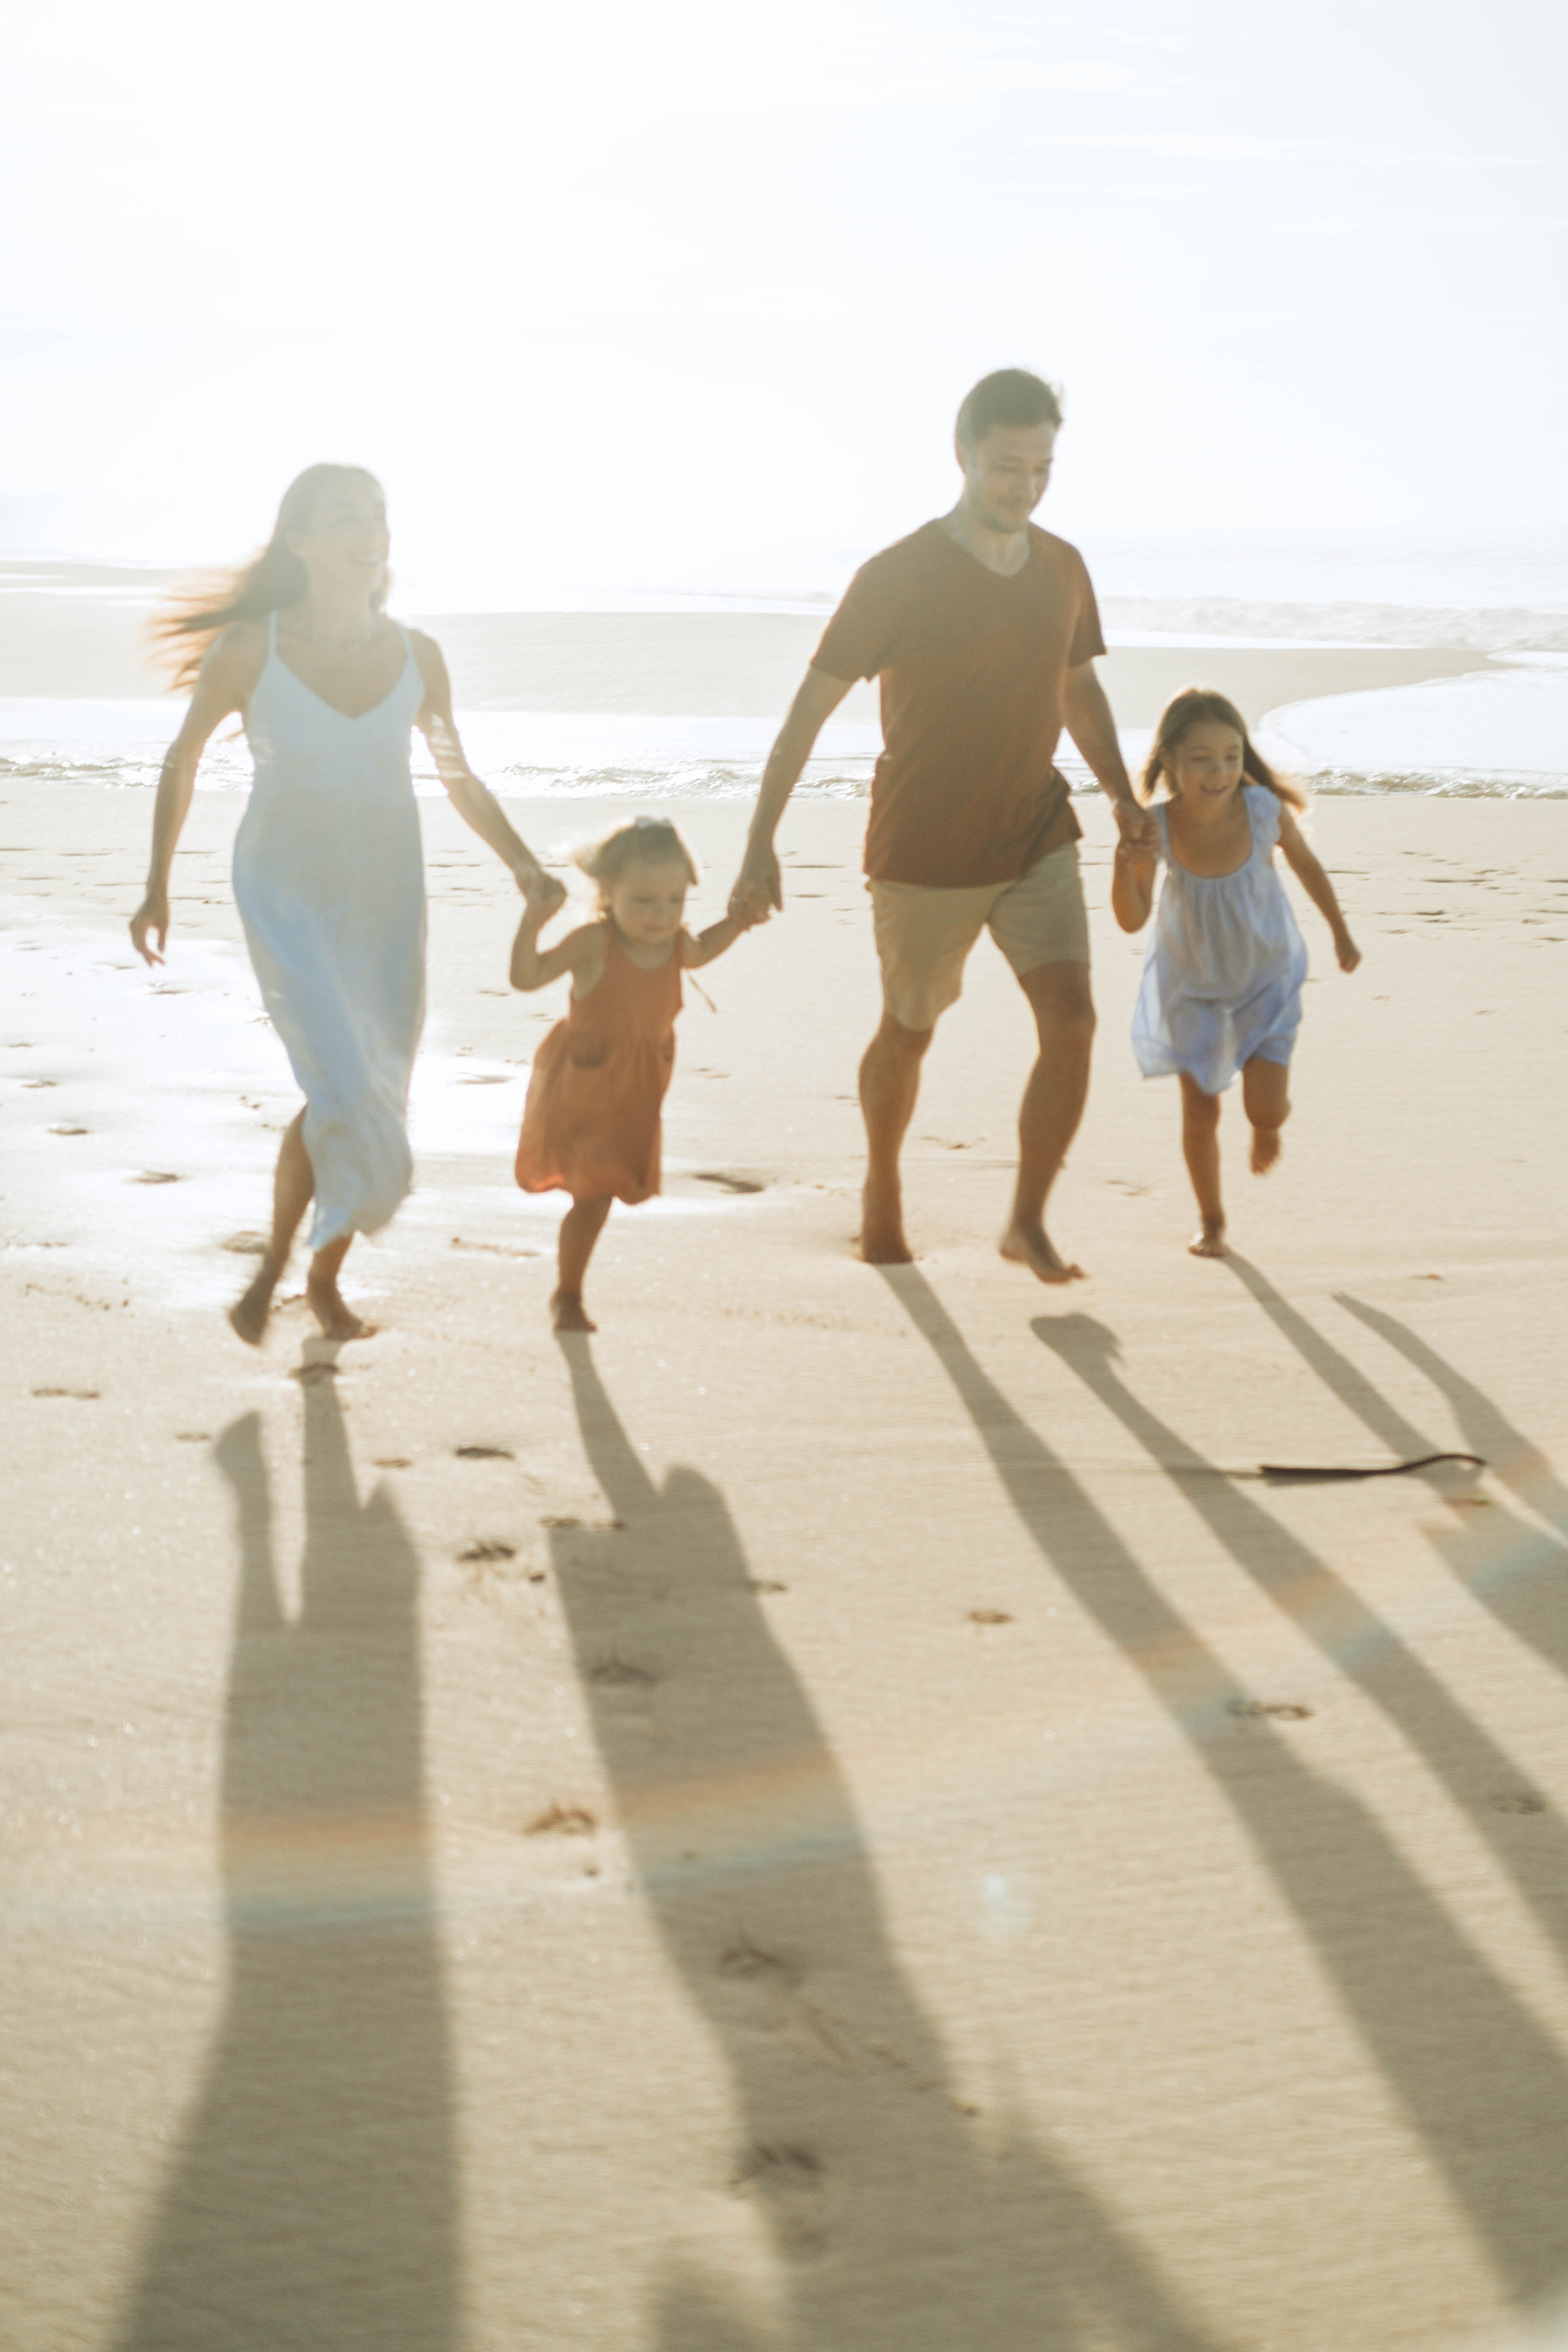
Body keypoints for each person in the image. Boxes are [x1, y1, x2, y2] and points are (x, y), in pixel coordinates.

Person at [729, 367, 1156, 1279]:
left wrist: (1121, 792)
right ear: (961, 454)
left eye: (1042, 467)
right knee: (911, 1028)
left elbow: (1075, 686)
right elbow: (805, 716)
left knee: (1073, 1021)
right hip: (926, 848)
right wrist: (760, 840)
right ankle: (881, 1187)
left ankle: (1027, 1221)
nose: (1026, 486)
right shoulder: (897, 576)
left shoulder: (1063, 567)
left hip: (1035, 828)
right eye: (1008, 466)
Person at [129, 463, 562, 1344]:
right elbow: (182, 761)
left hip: (387, 899)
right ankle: (277, 1277)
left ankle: (312, 1276)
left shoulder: (417, 656)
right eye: (344, 518)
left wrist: (522, 862)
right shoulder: (251, 649)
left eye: (377, 515)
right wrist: (156, 884)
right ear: (301, 540)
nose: (369, 531)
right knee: (339, 1083)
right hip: (288, 892)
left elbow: (455, 772)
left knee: (366, 1092)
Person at [1110, 687, 1362, 1257]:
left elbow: (1305, 865)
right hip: (1191, 989)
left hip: (1266, 979)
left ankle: (1270, 1122)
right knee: (1200, 1113)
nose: (1220, 770)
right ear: (1170, 758)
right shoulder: (1157, 829)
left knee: (1263, 1109)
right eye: (1202, 757)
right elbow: (1131, 919)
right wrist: (1123, 866)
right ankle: (1212, 1219)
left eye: (1231, 754)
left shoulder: (1263, 811)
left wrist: (1340, 931)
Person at [511, 816, 760, 1331]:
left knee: (600, 1194)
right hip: (583, 1084)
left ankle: (568, 1291)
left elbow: (703, 950)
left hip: (637, 1091)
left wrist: (738, 922)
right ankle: (568, 1296)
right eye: (644, 900)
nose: (661, 915)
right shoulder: (592, 944)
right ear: (607, 893)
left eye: (675, 900)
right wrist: (531, 924)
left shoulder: (675, 946)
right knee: (593, 1194)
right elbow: (526, 977)